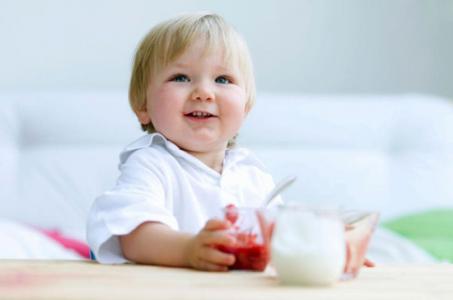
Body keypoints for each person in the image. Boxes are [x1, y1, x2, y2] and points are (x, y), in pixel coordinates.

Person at [86, 12, 279, 271]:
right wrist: (189, 250)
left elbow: (283, 236)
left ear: (245, 108)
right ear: (142, 105)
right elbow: (132, 233)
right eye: (181, 78)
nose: (203, 92)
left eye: (223, 80)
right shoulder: (151, 164)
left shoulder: (254, 176)